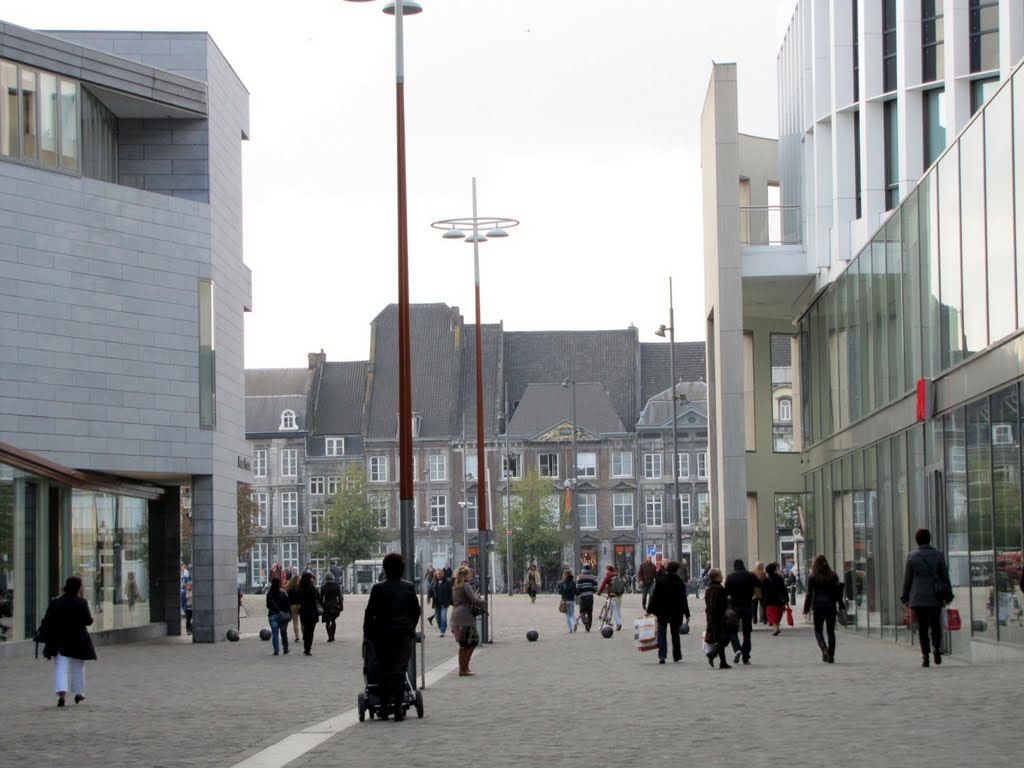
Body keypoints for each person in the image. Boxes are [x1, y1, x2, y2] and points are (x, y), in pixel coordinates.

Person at [363, 552, 420, 719]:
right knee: (400, 670)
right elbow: (416, 610)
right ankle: (397, 708)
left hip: (382, 635)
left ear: (385, 569)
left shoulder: (378, 588)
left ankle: (385, 704)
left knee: (384, 670)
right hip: (403, 635)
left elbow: (370, 613)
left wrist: (368, 633)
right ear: (402, 570)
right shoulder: (408, 587)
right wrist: (410, 626)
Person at [900, 528, 953, 667]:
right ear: (929, 539)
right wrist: (948, 594)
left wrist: (905, 596)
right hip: (935, 595)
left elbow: (908, 579)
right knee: (935, 624)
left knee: (922, 627)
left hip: (918, 596)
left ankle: (925, 655)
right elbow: (945, 576)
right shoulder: (938, 554)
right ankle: (936, 647)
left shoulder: (912, 556)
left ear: (917, 540)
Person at [42, 576, 97, 706]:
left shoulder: (56, 602)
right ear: (79, 587)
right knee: (78, 667)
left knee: (61, 667)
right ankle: (79, 693)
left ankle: (62, 694)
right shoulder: (81, 602)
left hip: (59, 639)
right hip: (78, 639)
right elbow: (88, 621)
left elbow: (48, 620)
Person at [646, 560, 690, 663]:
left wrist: (649, 611)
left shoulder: (661, 580)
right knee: (675, 634)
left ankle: (662, 655)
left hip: (662, 611)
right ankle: (677, 655)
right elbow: (683, 600)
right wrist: (687, 614)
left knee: (662, 632)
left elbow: (654, 597)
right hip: (675, 612)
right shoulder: (679, 582)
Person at [803, 554, 841, 663]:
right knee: (830, 631)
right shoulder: (833, 575)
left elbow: (809, 594)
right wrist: (841, 604)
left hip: (818, 606)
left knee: (818, 630)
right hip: (830, 605)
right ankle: (831, 654)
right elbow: (838, 592)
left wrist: (806, 608)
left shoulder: (813, 577)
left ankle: (824, 648)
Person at [450, 564, 487, 676]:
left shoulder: (456, 585)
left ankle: (463, 668)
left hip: (455, 617)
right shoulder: (466, 585)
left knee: (463, 643)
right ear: (465, 575)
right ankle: (464, 668)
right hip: (465, 617)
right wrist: (482, 601)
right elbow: (473, 600)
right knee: (473, 640)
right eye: (469, 574)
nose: (470, 576)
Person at [724, 559, 758, 665]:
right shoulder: (750, 575)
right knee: (747, 633)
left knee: (732, 630)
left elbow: (726, 591)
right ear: (743, 565)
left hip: (734, 606)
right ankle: (746, 657)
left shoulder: (730, 576)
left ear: (734, 566)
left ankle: (737, 649)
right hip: (748, 605)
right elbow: (760, 584)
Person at [703, 568, 731, 669]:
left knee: (719, 639)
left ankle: (723, 662)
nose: (722, 577)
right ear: (715, 577)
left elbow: (707, 603)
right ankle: (712, 653)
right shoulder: (720, 589)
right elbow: (724, 604)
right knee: (725, 638)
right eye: (720, 575)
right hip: (719, 617)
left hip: (710, 617)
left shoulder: (709, 589)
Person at [762, 561, 789, 636]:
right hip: (779, 600)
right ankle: (776, 627)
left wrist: (763, 600)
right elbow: (784, 590)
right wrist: (786, 599)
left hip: (769, 600)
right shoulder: (780, 578)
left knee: (771, 615)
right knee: (778, 614)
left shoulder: (766, 580)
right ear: (774, 570)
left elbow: (763, 591)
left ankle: (776, 628)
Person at [266, 577, 291, 655]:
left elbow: (267, 606)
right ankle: (285, 648)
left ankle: (276, 651)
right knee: (283, 632)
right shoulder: (283, 593)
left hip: (272, 615)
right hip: (283, 615)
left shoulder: (269, 594)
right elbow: (288, 605)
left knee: (275, 634)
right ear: (279, 584)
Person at [297, 571, 320, 655]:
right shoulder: (313, 589)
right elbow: (318, 598)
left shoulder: (300, 589)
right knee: (311, 631)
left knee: (306, 630)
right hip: (312, 612)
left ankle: (306, 648)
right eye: (311, 578)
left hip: (303, 612)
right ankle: (308, 649)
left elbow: (298, 600)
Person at [596, 564, 625, 630]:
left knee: (614, 610)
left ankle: (618, 623)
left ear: (608, 570)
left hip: (612, 595)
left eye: (606, 570)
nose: (605, 571)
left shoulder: (608, 576)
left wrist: (599, 593)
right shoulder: (617, 575)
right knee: (618, 610)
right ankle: (617, 624)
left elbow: (603, 585)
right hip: (619, 595)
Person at [319, 571, 343, 642]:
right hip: (334, 605)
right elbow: (340, 597)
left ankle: (329, 637)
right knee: (333, 620)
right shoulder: (336, 586)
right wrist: (341, 606)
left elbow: (321, 598)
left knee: (327, 622)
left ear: (325, 578)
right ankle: (333, 636)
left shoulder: (323, 587)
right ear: (333, 578)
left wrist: (321, 605)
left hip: (326, 605)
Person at [575, 564, 598, 632]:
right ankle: (589, 627)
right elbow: (596, 588)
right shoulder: (594, 577)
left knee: (582, 611)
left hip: (583, 597)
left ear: (583, 570)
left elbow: (578, 586)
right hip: (590, 597)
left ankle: (585, 621)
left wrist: (579, 592)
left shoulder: (580, 577)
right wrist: (591, 590)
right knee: (590, 612)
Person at [431, 568, 453, 637]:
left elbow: (450, 592)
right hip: (436, 603)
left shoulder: (447, 582)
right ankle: (441, 627)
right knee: (437, 618)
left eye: (440, 574)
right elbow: (430, 590)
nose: (438, 575)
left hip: (444, 602)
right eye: (437, 574)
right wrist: (428, 598)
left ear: (443, 574)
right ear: (436, 575)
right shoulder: (434, 582)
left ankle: (442, 631)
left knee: (443, 617)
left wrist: (451, 601)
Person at [557, 569, 577, 633]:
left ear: (564, 575)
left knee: (568, 615)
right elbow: (576, 591)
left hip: (565, 601)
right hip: (571, 600)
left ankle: (570, 629)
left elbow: (559, 591)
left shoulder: (562, 583)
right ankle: (574, 622)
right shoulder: (573, 582)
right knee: (572, 614)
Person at [284, 574, 302, 643]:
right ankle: (304, 634)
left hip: (293, 605)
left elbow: (288, 598)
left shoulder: (290, 588)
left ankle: (297, 636)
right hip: (301, 605)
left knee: (295, 622)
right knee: (303, 621)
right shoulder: (301, 588)